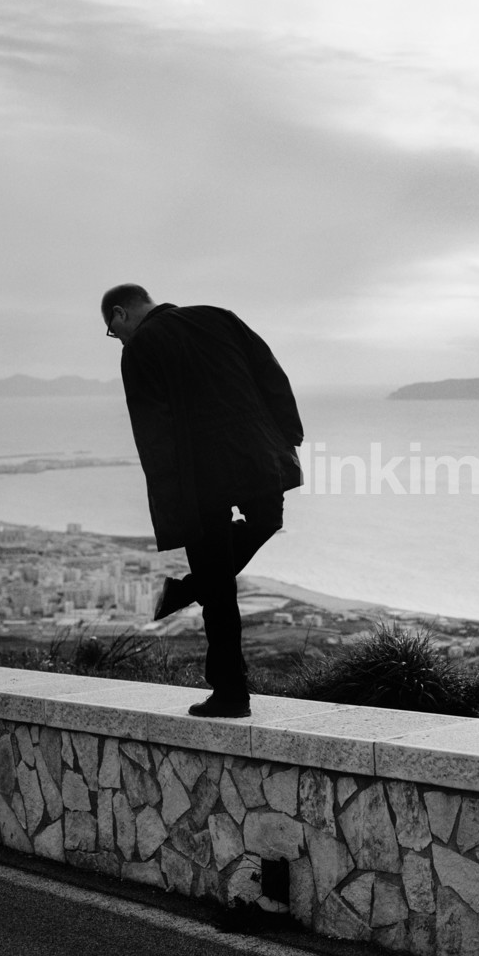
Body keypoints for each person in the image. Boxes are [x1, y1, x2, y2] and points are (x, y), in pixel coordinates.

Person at [101, 284, 304, 717]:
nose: (118, 340)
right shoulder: (218, 316)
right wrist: (289, 435)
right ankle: (199, 602)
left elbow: (152, 429)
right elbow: (272, 374)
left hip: (198, 478)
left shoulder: (139, 349)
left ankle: (230, 691)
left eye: (113, 332)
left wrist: (171, 503)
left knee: (217, 585)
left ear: (120, 313)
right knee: (266, 523)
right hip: (256, 456)